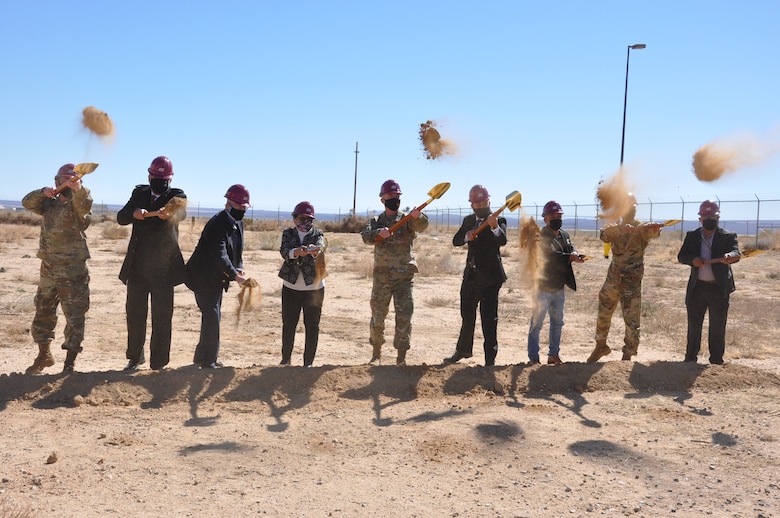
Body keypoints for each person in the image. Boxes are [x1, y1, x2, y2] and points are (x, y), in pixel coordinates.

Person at [117, 156, 187, 371]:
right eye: (156, 178)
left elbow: (181, 213)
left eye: (163, 179)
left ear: (171, 179)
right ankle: (135, 357)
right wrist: (134, 214)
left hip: (163, 268)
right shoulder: (139, 194)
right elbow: (121, 217)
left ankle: (159, 362)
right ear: (149, 176)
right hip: (138, 266)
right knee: (135, 313)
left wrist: (170, 214)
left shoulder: (177, 196)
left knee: (162, 316)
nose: (159, 182)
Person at [22, 164, 93, 374]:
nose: (70, 184)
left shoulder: (78, 205)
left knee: (75, 315)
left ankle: (69, 363)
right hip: (49, 268)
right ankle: (44, 355)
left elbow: (85, 203)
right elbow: (27, 202)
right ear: (57, 181)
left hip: (73, 271)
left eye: (74, 180)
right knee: (43, 311)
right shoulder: (48, 204)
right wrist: (43, 192)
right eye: (65, 180)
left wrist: (78, 188)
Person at [587, 193, 663, 362]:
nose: (630, 210)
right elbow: (604, 235)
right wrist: (621, 229)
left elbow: (653, 233)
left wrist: (655, 228)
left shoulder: (641, 228)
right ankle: (601, 346)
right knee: (603, 314)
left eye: (632, 207)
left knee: (632, 321)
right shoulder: (615, 228)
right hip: (613, 280)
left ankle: (627, 354)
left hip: (631, 283)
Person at [361, 179, 428, 365]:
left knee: (404, 316)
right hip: (382, 278)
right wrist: (377, 234)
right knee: (378, 316)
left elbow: (422, 226)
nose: (394, 199)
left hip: (403, 279)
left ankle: (401, 357)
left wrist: (417, 216)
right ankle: (376, 354)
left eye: (397, 196)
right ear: (382, 200)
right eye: (390, 196)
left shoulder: (407, 220)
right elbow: (365, 236)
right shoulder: (376, 222)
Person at [186, 184, 250, 369]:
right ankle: (208, 361)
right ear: (228, 205)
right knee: (213, 316)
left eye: (245, 208)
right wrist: (234, 276)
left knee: (212, 316)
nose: (243, 211)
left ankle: (202, 357)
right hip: (202, 277)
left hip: (217, 278)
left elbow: (237, 250)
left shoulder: (238, 223)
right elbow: (219, 254)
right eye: (240, 208)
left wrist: (239, 267)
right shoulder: (216, 224)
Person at [443, 185, 507, 366]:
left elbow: (502, 240)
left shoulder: (498, 219)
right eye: (476, 203)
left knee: (489, 318)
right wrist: (466, 236)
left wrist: (494, 228)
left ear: (489, 201)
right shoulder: (469, 220)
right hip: (471, 276)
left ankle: (490, 359)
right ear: (471, 204)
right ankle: (463, 350)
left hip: (491, 278)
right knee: (467, 315)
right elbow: (456, 241)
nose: (479, 206)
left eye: (482, 202)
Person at [678, 200, 740, 365]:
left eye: (712, 216)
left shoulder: (727, 236)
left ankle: (716, 361)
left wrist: (731, 256)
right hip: (697, 288)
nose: (709, 219)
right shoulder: (692, 236)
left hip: (719, 289)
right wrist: (693, 260)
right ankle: (690, 359)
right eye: (705, 216)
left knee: (717, 326)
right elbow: (682, 256)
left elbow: (736, 252)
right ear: (700, 219)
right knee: (694, 325)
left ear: (718, 217)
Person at [526, 201, 583, 365]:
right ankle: (533, 358)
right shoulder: (540, 236)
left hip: (559, 288)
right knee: (536, 324)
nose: (557, 219)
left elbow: (569, 248)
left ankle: (553, 355)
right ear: (545, 219)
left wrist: (575, 254)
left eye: (559, 216)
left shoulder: (564, 235)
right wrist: (569, 257)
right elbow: (549, 257)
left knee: (557, 323)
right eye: (553, 216)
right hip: (543, 288)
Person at [278, 201, 326, 367]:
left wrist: (314, 250)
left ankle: (308, 363)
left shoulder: (318, 234)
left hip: (314, 289)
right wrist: (296, 252)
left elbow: (321, 246)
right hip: (290, 287)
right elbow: (284, 251)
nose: (304, 222)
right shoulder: (288, 234)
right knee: (289, 324)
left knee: (312, 326)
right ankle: (286, 360)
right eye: (301, 218)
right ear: (294, 218)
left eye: (308, 219)